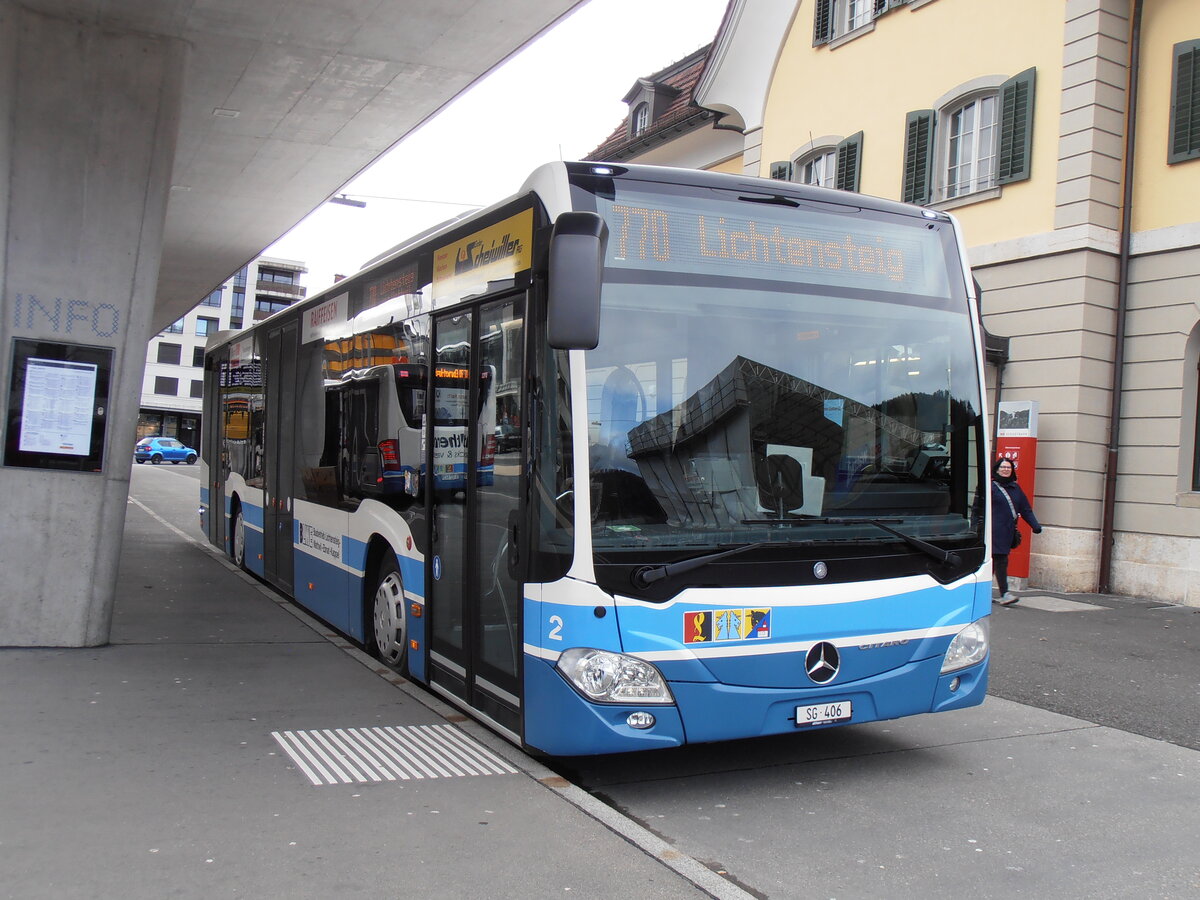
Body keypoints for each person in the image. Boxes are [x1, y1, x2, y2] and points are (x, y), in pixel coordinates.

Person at [992, 457, 1041, 606]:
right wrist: (976, 527)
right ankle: (1004, 593)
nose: (1006, 470)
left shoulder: (1016, 488)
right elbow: (977, 508)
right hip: (990, 532)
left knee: (998, 562)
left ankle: (996, 593)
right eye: (1003, 467)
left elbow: (1025, 509)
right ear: (997, 469)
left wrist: (1035, 525)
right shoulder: (990, 487)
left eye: (1008, 467)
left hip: (1006, 533)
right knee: (998, 562)